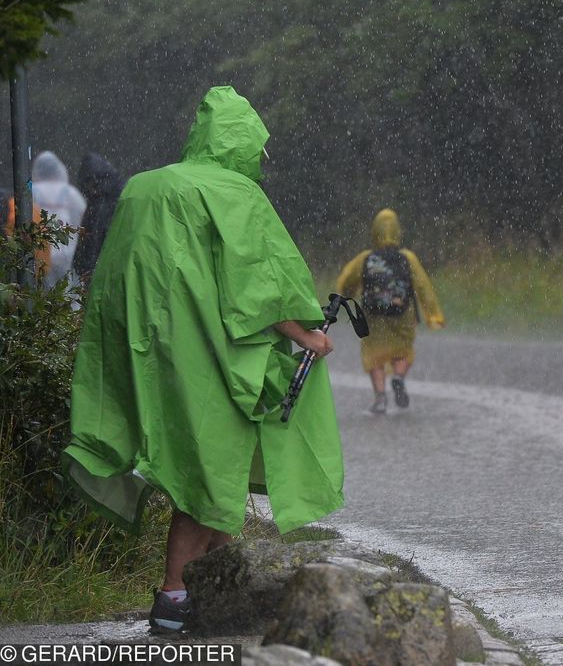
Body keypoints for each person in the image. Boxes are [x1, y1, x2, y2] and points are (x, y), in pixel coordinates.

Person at [63, 86, 345, 634]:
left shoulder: (144, 187)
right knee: (210, 473)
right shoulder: (233, 191)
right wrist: (305, 335)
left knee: (201, 468)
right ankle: (174, 598)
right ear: (243, 143)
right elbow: (256, 284)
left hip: (145, 353)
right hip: (208, 355)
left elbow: (112, 272)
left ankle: (212, 588)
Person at [336, 208, 446, 414]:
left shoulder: (365, 259)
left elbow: (346, 282)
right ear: (398, 231)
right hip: (402, 313)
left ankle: (380, 398)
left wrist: (347, 294)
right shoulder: (408, 258)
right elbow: (423, 287)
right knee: (402, 350)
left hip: (372, 315)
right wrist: (433, 315)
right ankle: (398, 377)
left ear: (374, 231)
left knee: (373, 354)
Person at [70, 152, 127, 287]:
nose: (90, 189)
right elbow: (89, 236)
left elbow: (93, 236)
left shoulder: (108, 201)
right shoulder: (98, 201)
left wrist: (84, 265)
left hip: (107, 269)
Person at [31, 150, 86, 288]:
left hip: (41, 253)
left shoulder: (32, 191)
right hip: (67, 254)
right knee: (68, 294)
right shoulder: (70, 192)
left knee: (43, 295)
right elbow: (82, 219)